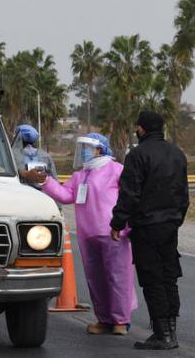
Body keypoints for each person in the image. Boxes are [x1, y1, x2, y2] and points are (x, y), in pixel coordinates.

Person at [30, 133, 137, 335]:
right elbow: (66, 195)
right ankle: (104, 319)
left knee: (119, 277)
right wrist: (46, 181)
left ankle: (121, 320)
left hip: (113, 232)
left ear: (100, 149)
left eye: (88, 147)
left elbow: (130, 197)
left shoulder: (117, 170)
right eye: (83, 148)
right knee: (95, 279)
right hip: (87, 234)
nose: (84, 152)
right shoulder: (81, 175)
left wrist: (127, 226)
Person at [110, 110, 189, 351]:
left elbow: (130, 193)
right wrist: (177, 218)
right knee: (169, 276)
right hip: (170, 223)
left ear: (141, 129)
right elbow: (183, 193)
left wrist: (117, 221)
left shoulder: (137, 155)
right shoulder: (177, 154)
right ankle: (171, 330)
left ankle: (161, 333)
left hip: (146, 225)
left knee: (152, 278)